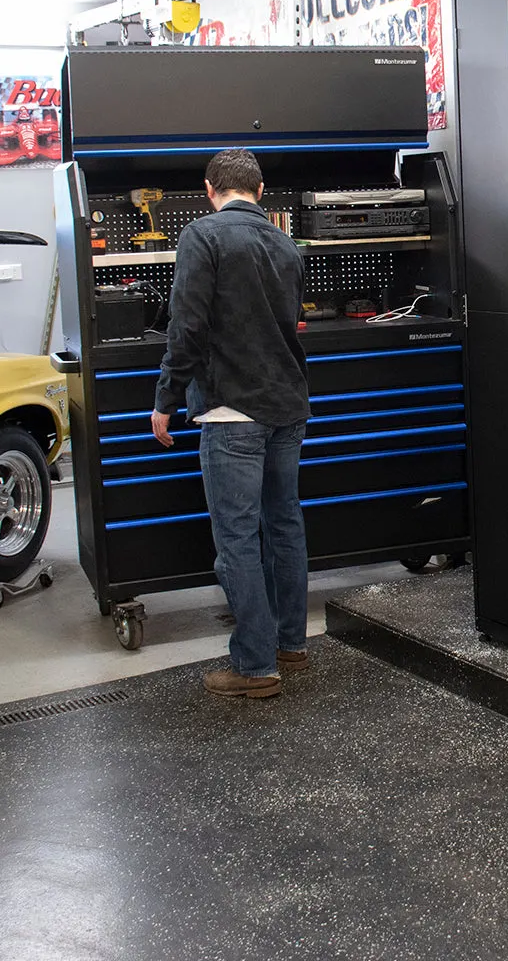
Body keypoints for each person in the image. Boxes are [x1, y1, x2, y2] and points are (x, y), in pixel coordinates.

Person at [151, 148, 311, 698]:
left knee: (237, 538)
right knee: (284, 526)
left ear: (209, 188)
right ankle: (290, 643)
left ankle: (254, 666)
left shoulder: (204, 235)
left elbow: (187, 326)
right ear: (261, 191)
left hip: (232, 410)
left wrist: (166, 397)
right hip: (288, 406)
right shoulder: (286, 242)